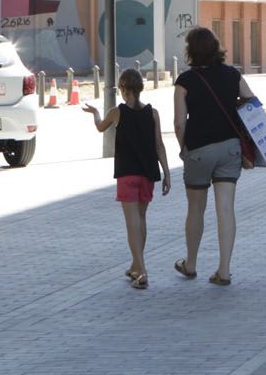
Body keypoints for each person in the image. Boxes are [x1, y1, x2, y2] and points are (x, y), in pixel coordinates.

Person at [172, 26, 255, 287]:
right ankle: (224, 270)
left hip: (198, 149)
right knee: (225, 209)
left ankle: (191, 264)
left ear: (191, 51)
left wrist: (182, 148)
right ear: (216, 48)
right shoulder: (233, 75)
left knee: (196, 208)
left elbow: (178, 122)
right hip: (230, 147)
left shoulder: (185, 81)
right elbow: (252, 101)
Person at [83, 68, 172, 290]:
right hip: (148, 173)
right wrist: (167, 172)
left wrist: (94, 112)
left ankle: (142, 271)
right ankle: (135, 264)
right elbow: (159, 145)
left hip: (126, 174)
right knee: (141, 220)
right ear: (140, 89)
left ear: (123, 89)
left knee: (132, 224)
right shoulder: (153, 113)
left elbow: (100, 127)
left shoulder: (117, 112)